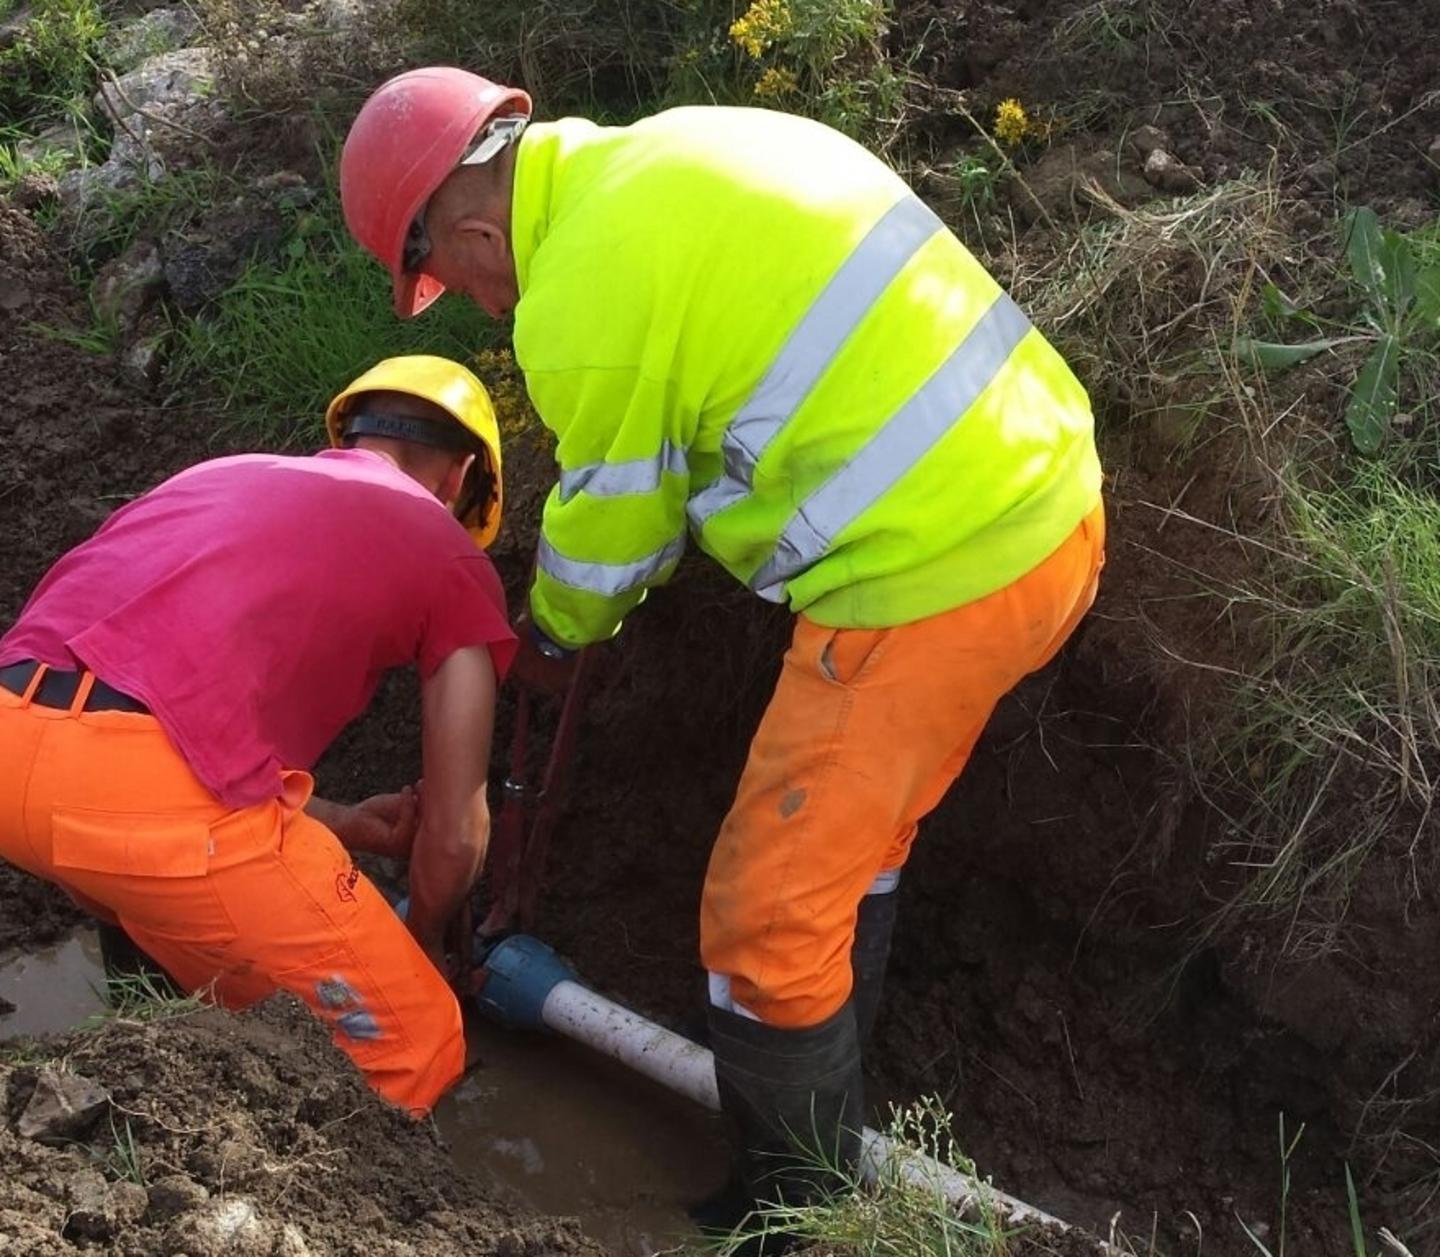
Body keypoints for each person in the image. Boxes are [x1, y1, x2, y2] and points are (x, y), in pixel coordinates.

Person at [341, 70, 1105, 1218]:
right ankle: (835, 1082)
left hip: (930, 574)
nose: (480, 305)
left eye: (453, 279)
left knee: (760, 928)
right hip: (1050, 511)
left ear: (474, 225)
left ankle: (799, 1210)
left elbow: (612, 530)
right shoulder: (690, 149)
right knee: (854, 853)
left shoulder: (576, 299)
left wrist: (546, 634)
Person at [0, 354, 516, 1117]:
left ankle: (150, 1097)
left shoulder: (221, 474)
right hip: (140, 805)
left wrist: (336, 821)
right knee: (418, 1041)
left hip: (17, 746)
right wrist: (426, 936)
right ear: (461, 474)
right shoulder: (448, 552)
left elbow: (146, 697)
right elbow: (453, 830)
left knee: (166, 921)